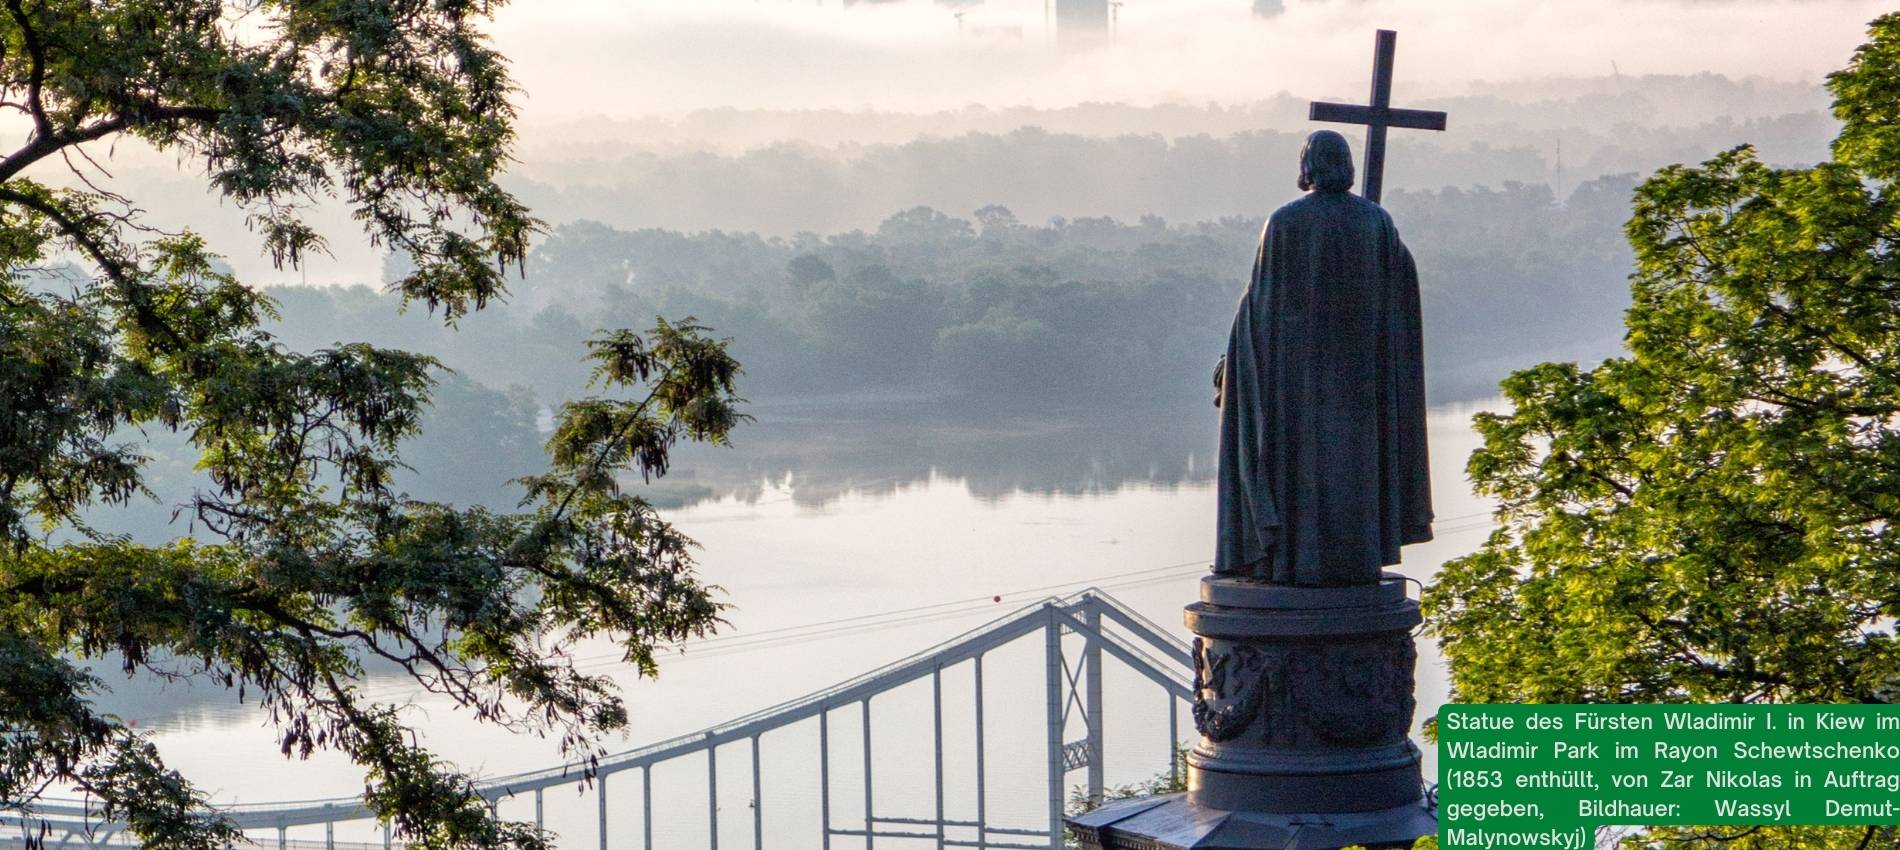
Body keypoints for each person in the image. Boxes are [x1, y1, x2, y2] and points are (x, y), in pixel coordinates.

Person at [1213, 130, 1433, 586]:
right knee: (1353, 470)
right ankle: (1354, 560)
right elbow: (1399, 293)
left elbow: (1261, 309)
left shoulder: (1285, 222)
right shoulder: (1376, 221)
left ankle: (1293, 561)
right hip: (1360, 384)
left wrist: (1235, 364)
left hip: (1296, 387)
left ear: (1307, 165)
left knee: (1298, 472)